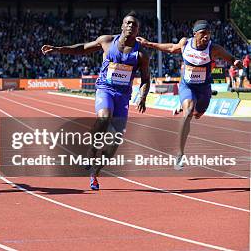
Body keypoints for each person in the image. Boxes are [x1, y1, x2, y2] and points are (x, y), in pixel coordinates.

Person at [42, 12, 151, 190]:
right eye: (128, 23)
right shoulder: (107, 41)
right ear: (122, 26)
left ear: (138, 30)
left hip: (123, 96)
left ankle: (95, 172)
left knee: (115, 141)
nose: (131, 26)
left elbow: (146, 79)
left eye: (134, 25)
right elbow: (82, 48)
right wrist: (58, 49)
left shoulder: (141, 55)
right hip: (105, 89)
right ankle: (90, 151)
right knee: (103, 118)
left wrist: (143, 97)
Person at [137, 20, 243, 170]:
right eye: (203, 34)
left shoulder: (213, 49)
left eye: (208, 34)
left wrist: (236, 62)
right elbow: (171, 48)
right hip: (187, 86)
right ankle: (179, 154)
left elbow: (231, 59)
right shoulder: (185, 43)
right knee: (188, 112)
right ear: (195, 34)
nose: (206, 37)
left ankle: (184, 106)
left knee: (197, 114)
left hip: (204, 88)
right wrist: (149, 44)